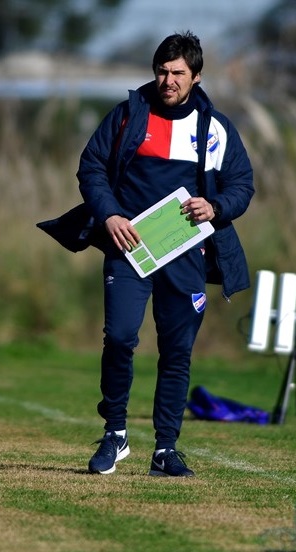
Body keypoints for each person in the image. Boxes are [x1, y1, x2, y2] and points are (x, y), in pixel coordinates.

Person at [76, 31, 255, 477]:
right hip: (129, 249)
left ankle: (165, 450)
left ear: (195, 76)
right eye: (161, 70)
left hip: (186, 255)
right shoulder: (127, 116)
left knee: (177, 353)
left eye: (177, 73)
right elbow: (91, 168)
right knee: (119, 337)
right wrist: (111, 215)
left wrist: (215, 207)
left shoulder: (216, 129)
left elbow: (242, 187)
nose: (167, 80)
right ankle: (115, 434)